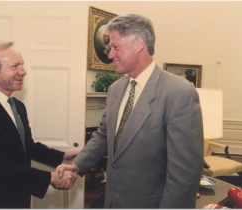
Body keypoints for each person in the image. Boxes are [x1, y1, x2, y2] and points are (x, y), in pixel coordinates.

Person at [56, 14, 204, 208]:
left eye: (116, 47)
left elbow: (185, 174)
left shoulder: (179, 93)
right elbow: (103, 136)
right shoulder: (115, 89)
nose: (110, 55)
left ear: (139, 44)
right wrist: (76, 166)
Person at [0, 41, 78, 208]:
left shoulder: (18, 106)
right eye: (15, 66)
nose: (23, 72)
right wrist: (51, 178)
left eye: (22, 65)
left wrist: (61, 156)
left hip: (17, 198)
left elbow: (24, 146)